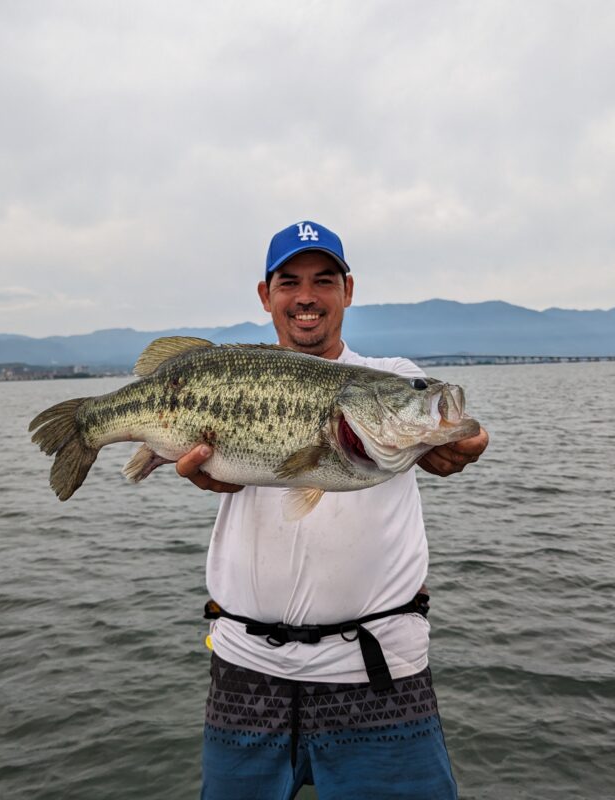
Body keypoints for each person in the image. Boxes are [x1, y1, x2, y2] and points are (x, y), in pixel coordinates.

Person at [176, 221, 489, 799]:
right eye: (289, 281)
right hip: (247, 670)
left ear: (348, 290)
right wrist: (194, 465)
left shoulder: (391, 378)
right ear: (265, 296)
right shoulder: (235, 379)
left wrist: (460, 444)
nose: (306, 296)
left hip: (377, 673)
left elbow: (459, 431)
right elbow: (194, 452)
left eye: (324, 280)